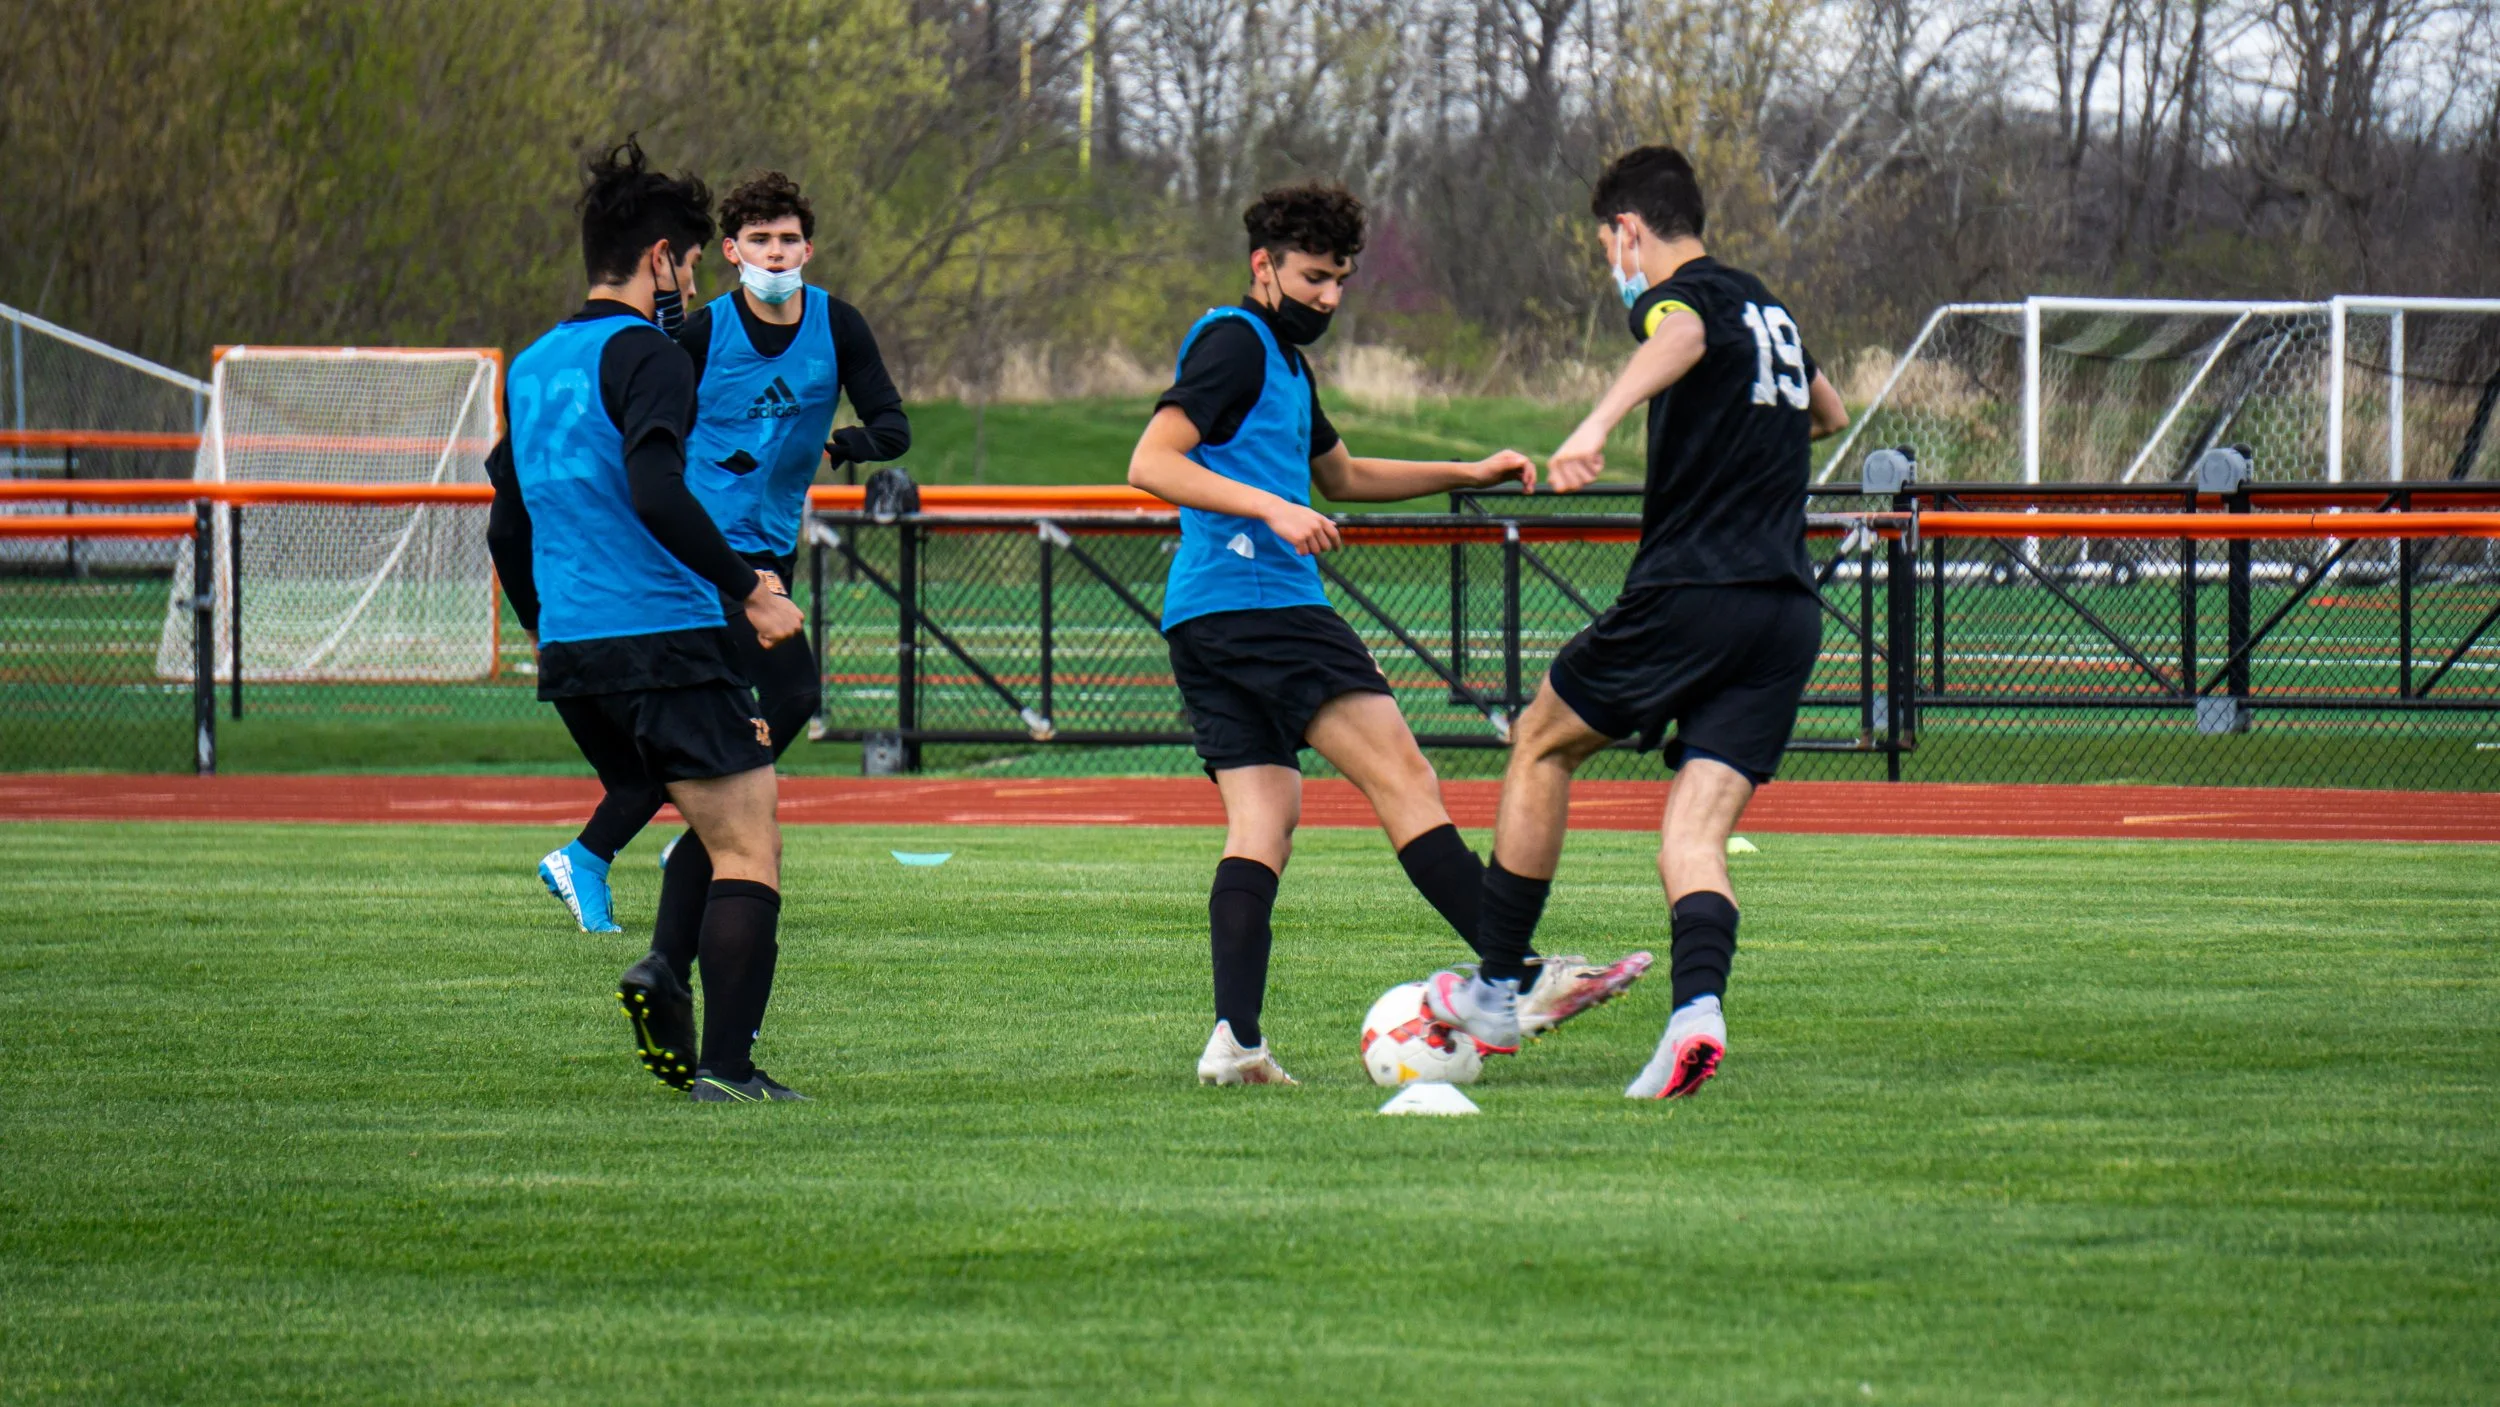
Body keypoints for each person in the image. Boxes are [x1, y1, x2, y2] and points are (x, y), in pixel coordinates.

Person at [1126, 181, 1651, 1087]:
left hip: (1207, 618)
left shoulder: (1285, 363)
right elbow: (1151, 461)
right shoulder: (1234, 343)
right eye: (1313, 277)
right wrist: (1271, 509)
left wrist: (1466, 468)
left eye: (1341, 280)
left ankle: (1235, 1043)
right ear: (1264, 266)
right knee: (1406, 775)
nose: (1329, 296)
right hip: (1262, 603)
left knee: (1263, 823)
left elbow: (1343, 474)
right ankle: (1518, 977)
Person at [1420, 145, 1849, 1099]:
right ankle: (1696, 1016)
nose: (1612, 260)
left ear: (1628, 230)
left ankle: (1493, 990)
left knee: (1539, 742)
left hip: (1695, 593)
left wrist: (1596, 423)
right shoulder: (1765, 304)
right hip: (1786, 609)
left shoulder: (1681, 299)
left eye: (1608, 243)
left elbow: (1679, 337)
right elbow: (1828, 410)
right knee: (1690, 839)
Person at [485, 138, 810, 1103]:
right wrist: (749, 587)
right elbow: (658, 487)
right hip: (664, 635)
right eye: (694, 261)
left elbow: (507, 525)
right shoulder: (654, 355)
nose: (695, 280)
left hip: (578, 655)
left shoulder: (535, 366)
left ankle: (665, 973)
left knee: (703, 823)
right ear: (662, 258)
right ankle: (729, 1070)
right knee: (750, 844)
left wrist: (545, 628)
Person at [535, 171, 910, 933]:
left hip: (775, 542)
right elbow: (655, 405)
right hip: (707, 552)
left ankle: (599, 852)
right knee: (788, 696)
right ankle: (687, 846)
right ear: (732, 252)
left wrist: (843, 443)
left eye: (789, 239)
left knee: (719, 725)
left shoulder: (839, 326)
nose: (777, 253)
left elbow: (894, 428)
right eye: (760, 240)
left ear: (811, 246)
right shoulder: (702, 333)